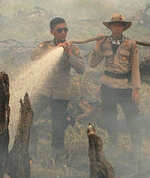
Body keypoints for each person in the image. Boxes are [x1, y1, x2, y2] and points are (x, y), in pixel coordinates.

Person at [31, 17, 85, 157]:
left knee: (58, 128)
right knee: (29, 120)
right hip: (43, 91)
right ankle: (30, 152)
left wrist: (69, 55)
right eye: (59, 30)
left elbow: (81, 69)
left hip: (61, 94)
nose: (63, 33)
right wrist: (55, 50)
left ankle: (57, 158)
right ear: (52, 32)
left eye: (65, 29)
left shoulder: (72, 48)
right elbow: (34, 57)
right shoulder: (45, 46)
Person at [89, 13, 141, 152]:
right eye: (115, 25)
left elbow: (135, 68)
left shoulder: (131, 44)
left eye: (120, 25)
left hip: (124, 87)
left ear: (123, 28)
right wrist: (97, 46)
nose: (117, 28)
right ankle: (113, 146)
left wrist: (136, 89)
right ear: (110, 27)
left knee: (132, 116)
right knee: (110, 116)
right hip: (108, 87)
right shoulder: (104, 43)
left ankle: (136, 148)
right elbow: (93, 63)